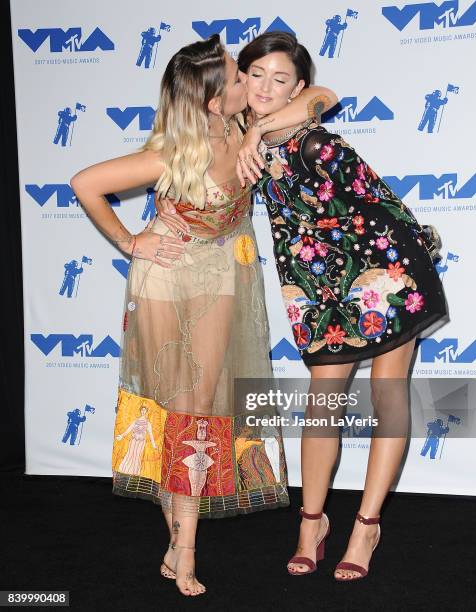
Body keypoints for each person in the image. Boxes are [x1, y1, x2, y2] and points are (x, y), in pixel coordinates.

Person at [71, 35, 294, 597]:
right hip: (166, 276)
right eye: (239, 77)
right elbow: (86, 184)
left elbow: (319, 94)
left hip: (222, 270)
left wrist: (263, 128)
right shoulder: (173, 151)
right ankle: (186, 545)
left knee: (199, 406)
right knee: (176, 405)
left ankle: (179, 536)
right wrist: (132, 241)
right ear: (214, 101)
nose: (251, 80)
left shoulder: (248, 126)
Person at [236, 31, 449, 581]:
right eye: (255, 74)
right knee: (321, 403)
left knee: (388, 394)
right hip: (316, 285)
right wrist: (251, 130)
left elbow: (324, 94)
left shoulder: (314, 141)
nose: (265, 86)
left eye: (280, 79)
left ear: (296, 88)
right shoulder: (237, 130)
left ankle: (366, 525)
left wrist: (261, 126)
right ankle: (312, 521)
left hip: (386, 272)